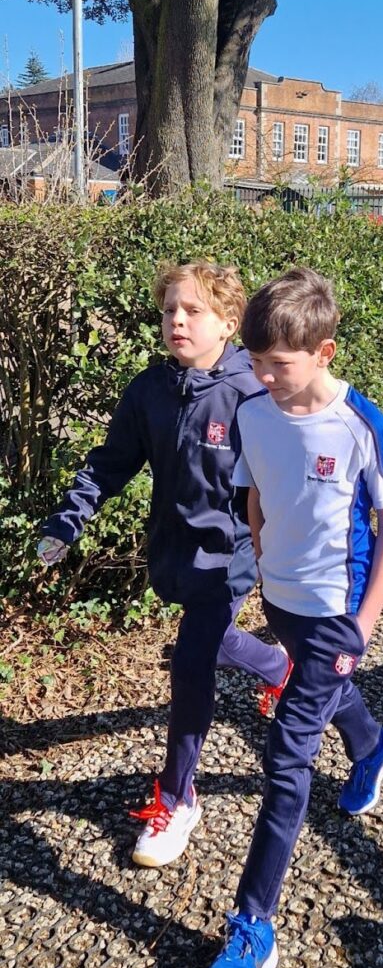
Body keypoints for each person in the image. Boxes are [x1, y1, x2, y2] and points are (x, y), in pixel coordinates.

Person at [201, 266, 383, 968]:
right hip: (285, 599)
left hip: (337, 612)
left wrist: (364, 622)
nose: (262, 376)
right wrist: (262, 558)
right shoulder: (255, 412)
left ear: (324, 353)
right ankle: (373, 742)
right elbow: (259, 489)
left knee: (286, 759)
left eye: (279, 365)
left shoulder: (360, 422)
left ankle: (252, 924)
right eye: (256, 361)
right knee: (323, 697)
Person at [36, 261, 291, 867]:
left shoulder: (252, 395)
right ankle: (333, 710)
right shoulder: (151, 389)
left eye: (193, 310)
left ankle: (177, 798)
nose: (177, 320)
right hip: (173, 553)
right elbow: (111, 462)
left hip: (230, 557)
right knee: (213, 644)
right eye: (169, 309)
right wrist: (68, 521)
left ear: (229, 323)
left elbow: (285, 486)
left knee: (191, 663)